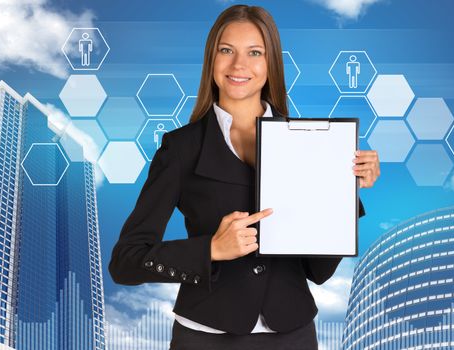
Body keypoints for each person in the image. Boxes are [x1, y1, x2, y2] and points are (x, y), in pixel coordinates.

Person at [109, 4, 380, 349]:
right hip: (205, 337)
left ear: (271, 64)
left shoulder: (312, 143)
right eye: (227, 50)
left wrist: (346, 190)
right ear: (212, 59)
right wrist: (210, 250)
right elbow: (126, 262)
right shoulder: (181, 148)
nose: (239, 65)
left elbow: (319, 270)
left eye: (255, 52)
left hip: (293, 336)